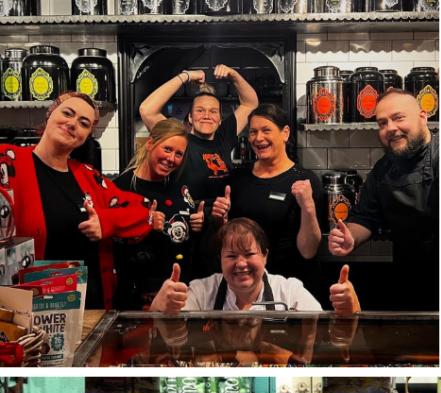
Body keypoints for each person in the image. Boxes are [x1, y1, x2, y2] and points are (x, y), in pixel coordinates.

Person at [0, 92, 155, 309]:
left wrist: (106, 221)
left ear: (87, 135)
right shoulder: (8, 162)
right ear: (50, 114)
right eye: (67, 113)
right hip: (28, 308)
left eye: (83, 123)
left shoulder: (88, 175)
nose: (72, 124)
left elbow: (144, 209)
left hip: (89, 306)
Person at [328, 89, 438, 311]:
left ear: (423, 117)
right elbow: (366, 216)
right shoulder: (383, 169)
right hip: (406, 278)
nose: (391, 128)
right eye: (382, 123)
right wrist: (349, 237)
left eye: (399, 118)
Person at [213, 104, 325, 295]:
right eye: (253, 132)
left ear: (285, 133)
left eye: (266, 130)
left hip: (290, 287)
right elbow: (229, 242)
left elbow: (308, 251)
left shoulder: (305, 181)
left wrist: (308, 208)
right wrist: (220, 221)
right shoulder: (238, 179)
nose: (259, 138)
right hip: (245, 287)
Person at [149, 217, 360, 315]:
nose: (241, 264)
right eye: (231, 256)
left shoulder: (290, 292)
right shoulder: (200, 292)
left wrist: (351, 312)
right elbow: (167, 337)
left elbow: (325, 336)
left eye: (249, 254)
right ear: (220, 260)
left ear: (265, 256)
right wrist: (158, 308)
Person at [111, 119, 205, 310]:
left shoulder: (181, 187)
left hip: (181, 292)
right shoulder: (120, 188)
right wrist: (143, 225)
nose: (171, 159)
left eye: (179, 154)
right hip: (138, 299)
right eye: (167, 149)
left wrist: (198, 225)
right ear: (150, 143)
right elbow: (110, 241)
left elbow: (184, 239)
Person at [139, 66, 258, 204]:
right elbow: (147, 110)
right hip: (185, 218)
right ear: (190, 117)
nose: (206, 116)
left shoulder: (224, 136)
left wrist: (234, 75)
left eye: (213, 112)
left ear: (220, 119)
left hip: (220, 218)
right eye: (200, 110)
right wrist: (185, 76)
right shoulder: (178, 139)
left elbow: (250, 104)